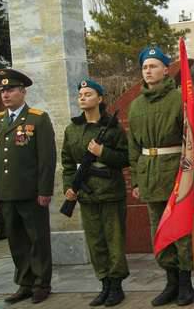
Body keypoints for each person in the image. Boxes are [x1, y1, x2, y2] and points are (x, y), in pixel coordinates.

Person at [128, 47, 194, 307]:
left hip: (177, 174)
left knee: (181, 231)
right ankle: (171, 281)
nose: (148, 71)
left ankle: (185, 282)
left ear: (165, 69)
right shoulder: (136, 105)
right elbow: (133, 147)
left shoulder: (180, 99)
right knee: (158, 232)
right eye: (144, 67)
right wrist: (137, 181)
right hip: (150, 174)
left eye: (153, 66)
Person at [0, 68, 56, 304]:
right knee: (16, 241)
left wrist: (45, 190)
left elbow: (47, 159)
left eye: (11, 89)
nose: (5, 94)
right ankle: (25, 283)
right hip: (6, 192)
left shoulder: (38, 118)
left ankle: (41, 283)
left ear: (23, 92)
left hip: (31, 193)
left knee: (38, 239)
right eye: (2, 90)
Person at [61, 79, 129, 307]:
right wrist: (69, 187)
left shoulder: (113, 127)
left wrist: (103, 152)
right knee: (95, 242)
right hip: (86, 195)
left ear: (100, 99)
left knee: (114, 240)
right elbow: (68, 163)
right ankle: (104, 284)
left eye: (88, 94)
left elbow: (125, 158)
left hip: (110, 193)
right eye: (80, 94)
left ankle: (117, 286)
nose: (82, 97)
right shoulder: (72, 130)